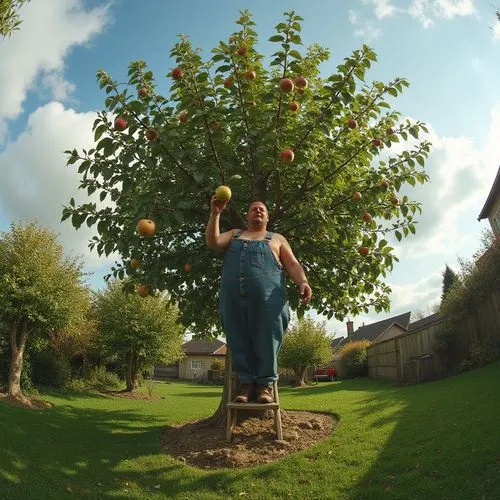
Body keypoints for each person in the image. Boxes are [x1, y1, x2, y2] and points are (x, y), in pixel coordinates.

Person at [205, 196, 312, 403]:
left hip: (269, 302)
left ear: (268, 217)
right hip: (233, 298)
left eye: (262, 209)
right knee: (237, 339)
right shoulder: (235, 234)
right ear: (247, 216)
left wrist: (303, 282)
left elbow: (292, 264)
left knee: (268, 340)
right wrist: (215, 213)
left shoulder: (277, 239)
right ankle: (246, 385)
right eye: (254, 209)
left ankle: (264, 385)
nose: (258, 211)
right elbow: (213, 242)